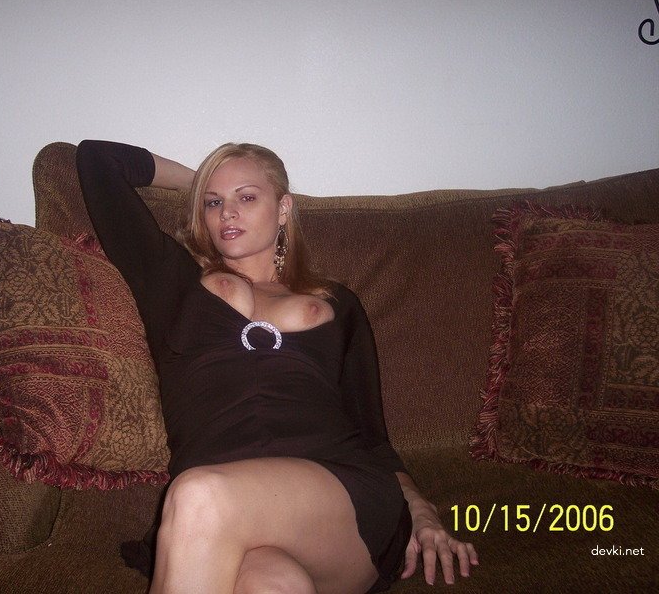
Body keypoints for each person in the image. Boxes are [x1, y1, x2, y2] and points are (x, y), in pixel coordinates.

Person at [76, 140, 478, 594]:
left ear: (283, 208)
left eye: (247, 197)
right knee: (273, 585)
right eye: (214, 202)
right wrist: (197, 183)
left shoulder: (338, 303)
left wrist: (421, 510)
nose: (228, 212)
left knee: (199, 496)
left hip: (339, 498)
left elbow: (371, 433)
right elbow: (96, 160)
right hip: (223, 496)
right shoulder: (171, 282)